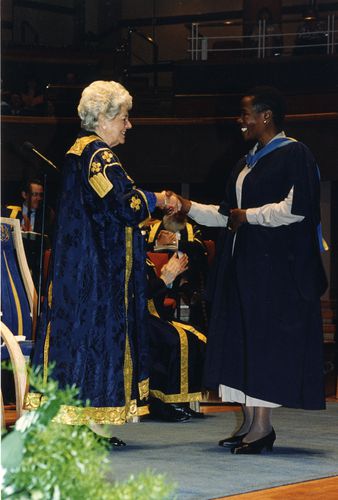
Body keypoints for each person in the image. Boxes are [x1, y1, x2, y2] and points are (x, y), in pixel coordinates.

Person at [171, 86, 327, 454]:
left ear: (266, 116)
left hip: (275, 272)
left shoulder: (295, 154)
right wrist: (188, 205)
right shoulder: (247, 162)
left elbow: (298, 207)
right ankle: (252, 425)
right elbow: (227, 215)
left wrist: (250, 216)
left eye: (246, 114)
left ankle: (263, 428)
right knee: (243, 342)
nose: (240, 121)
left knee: (262, 344)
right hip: (244, 268)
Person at [26, 80, 180, 446]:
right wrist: (156, 198)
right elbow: (122, 206)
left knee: (80, 345)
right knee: (94, 345)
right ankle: (91, 427)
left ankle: (81, 426)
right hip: (93, 275)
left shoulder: (80, 153)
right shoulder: (97, 155)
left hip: (80, 270)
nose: (129, 125)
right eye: (124, 117)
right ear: (105, 117)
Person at [146, 253, 206, 422]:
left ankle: (181, 400)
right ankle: (165, 404)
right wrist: (163, 280)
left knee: (196, 335)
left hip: (151, 315)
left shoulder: (140, 257)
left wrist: (169, 279)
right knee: (176, 340)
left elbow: (152, 294)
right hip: (132, 318)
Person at [146, 212, 209, 331]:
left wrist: (176, 243)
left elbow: (201, 249)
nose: (174, 212)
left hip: (187, 275)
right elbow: (143, 248)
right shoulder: (152, 228)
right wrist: (158, 244)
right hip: (158, 277)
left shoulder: (193, 229)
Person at [3, 178, 55, 290]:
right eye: (34, 195)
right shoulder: (9, 212)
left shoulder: (47, 215)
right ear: (24, 195)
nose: (39, 198)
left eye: (41, 195)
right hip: (11, 264)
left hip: (35, 268)